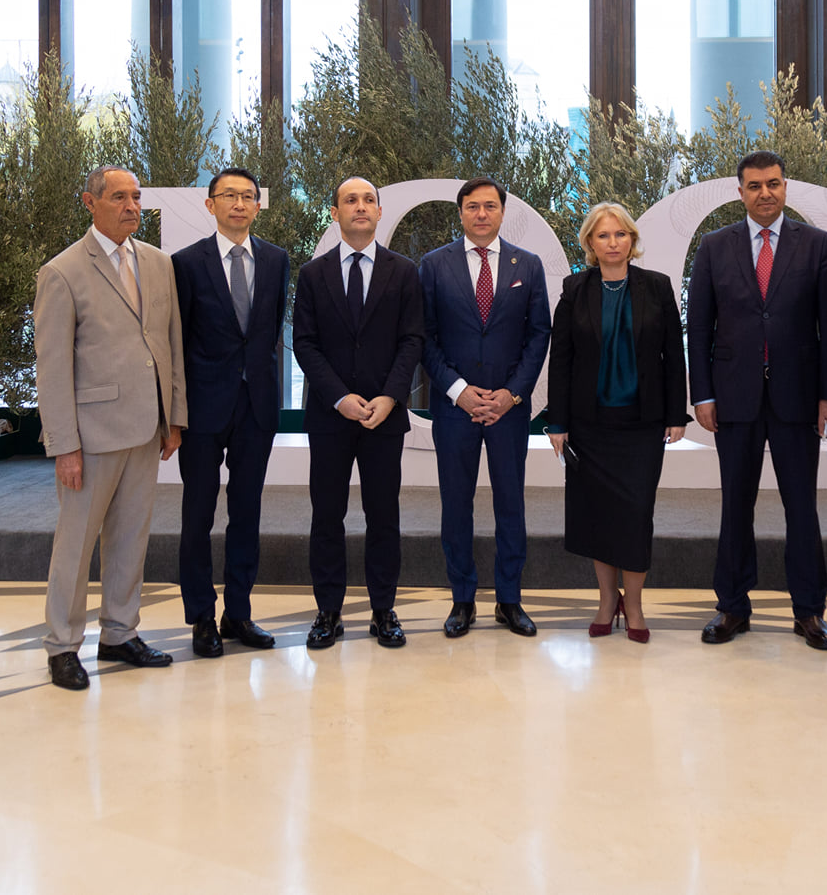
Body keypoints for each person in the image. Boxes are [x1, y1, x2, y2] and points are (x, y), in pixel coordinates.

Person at [34, 166, 187, 691]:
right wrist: (64, 446)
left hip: (147, 429)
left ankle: (120, 633)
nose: (131, 206)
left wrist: (174, 417)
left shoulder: (158, 264)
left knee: (130, 539)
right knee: (75, 546)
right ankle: (62, 645)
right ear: (90, 202)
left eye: (136, 197)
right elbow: (52, 368)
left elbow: (169, 344)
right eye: (119, 197)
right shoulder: (62, 272)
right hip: (91, 436)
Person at [687, 150, 827, 650]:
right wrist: (702, 394)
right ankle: (732, 606)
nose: (765, 193)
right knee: (736, 505)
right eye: (754, 186)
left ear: (785, 187)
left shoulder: (817, 245)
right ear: (740, 192)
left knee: (802, 506)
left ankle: (810, 611)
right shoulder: (714, 247)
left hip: (799, 398)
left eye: (773, 183)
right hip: (733, 397)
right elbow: (699, 328)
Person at [293, 176, 426, 650]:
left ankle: (383, 610)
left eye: (369, 199)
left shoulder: (403, 272)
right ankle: (328, 611)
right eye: (350, 200)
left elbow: (412, 340)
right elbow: (304, 344)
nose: (361, 206)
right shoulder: (313, 274)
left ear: (380, 211)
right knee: (327, 515)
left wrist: (391, 397)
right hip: (331, 417)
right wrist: (339, 397)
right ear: (335, 213)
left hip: (384, 417)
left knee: (383, 515)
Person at [545, 203, 688, 643]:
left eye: (620, 234)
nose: (613, 243)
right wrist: (557, 422)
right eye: (603, 235)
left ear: (632, 240)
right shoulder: (575, 288)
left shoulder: (657, 286)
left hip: (642, 425)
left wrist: (676, 413)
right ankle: (608, 601)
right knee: (598, 516)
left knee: (636, 515)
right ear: (590, 242)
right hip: (589, 427)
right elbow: (561, 359)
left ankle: (636, 604)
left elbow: (672, 354)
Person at [419, 176, 553, 638]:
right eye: (472, 206)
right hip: (454, 408)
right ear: (460, 213)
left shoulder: (527, 265)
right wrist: (458, 390)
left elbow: (539, 334)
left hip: (508, 409)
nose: (481, 214)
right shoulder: (433, 265)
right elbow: (424, 336)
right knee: (456, 505)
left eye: (490, 206)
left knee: (510, 504)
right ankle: (462, 600)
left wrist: (511, 394)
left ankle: (509, 600)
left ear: (502, 212)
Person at [171, 167, 289, 659]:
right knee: (197, 514)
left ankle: (238, 612)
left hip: (255, 406)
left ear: (258, 205)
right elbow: (176, 339)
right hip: (202, 408)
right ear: (210, 204)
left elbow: (269, 331)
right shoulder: (185, 263)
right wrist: (174, 412)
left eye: (247, 196)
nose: (239, 204)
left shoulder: (277, 260)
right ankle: (201, 616)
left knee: (246, 512)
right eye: (229, 196)